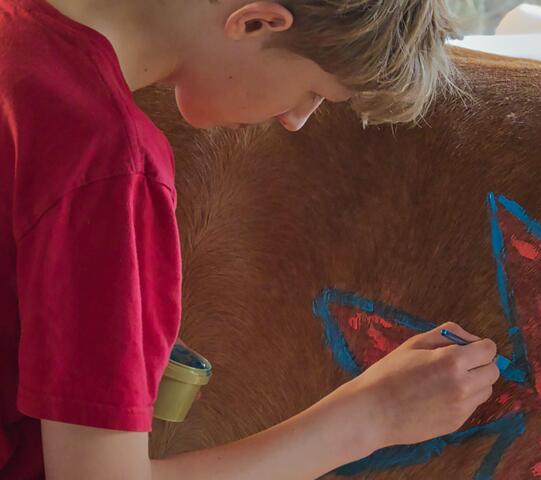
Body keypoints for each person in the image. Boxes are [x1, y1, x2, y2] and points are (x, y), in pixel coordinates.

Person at [0, 0, 501, 478]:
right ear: (257, 23)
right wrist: (375, 416)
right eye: (316, 92)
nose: (297, 118)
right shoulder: (109, 165)